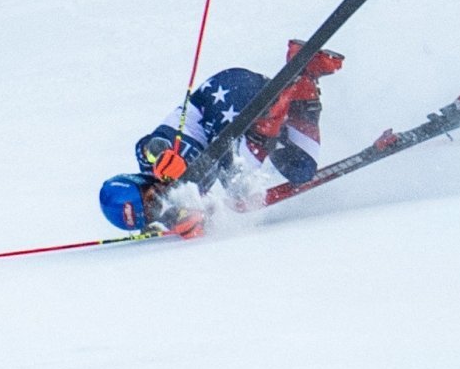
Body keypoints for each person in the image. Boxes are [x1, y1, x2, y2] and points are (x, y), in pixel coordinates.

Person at [99, 39, 344, 238]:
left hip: (228, 96)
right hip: (247, 108)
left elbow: (151, 145)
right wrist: (195, 220)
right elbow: (196, 212)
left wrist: (164, 156)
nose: (159, 203)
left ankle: (269, 117)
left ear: (140, 180)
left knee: (240, 187)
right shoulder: (173, 207)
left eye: (151, 198)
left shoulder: (151, 159)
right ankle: (304, 81)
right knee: (302, 168)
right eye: (152, 212)